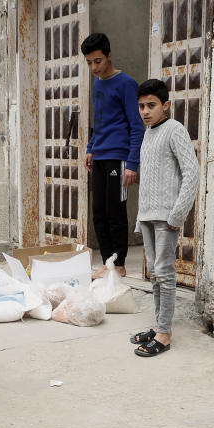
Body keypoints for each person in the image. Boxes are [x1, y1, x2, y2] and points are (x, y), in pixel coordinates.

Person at [129, 78, 199, 357]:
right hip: (148, 215)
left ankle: (165, 334)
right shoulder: (148, 133)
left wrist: (178, 214)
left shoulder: (174, 130)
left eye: (151, 105)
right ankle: (159, 326)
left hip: (166, 216)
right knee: (156, 275)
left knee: (166, 275)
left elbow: (191, 173)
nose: (145, 111)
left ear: (166, 105)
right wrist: (141, 216)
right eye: (142, 106)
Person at [81, 32, 145, 278]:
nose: (94, 67)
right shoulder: (98, 83)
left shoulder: (126, 84)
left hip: (119, 157)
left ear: (109, 56)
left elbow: (137, 126)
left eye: (98, 61)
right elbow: (99, 121)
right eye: (89, 63)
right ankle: (108, 263)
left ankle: (119, 264)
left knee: (115, 212)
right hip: (100, 155)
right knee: (98, 212)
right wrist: (90, 147)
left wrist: (132, 162)